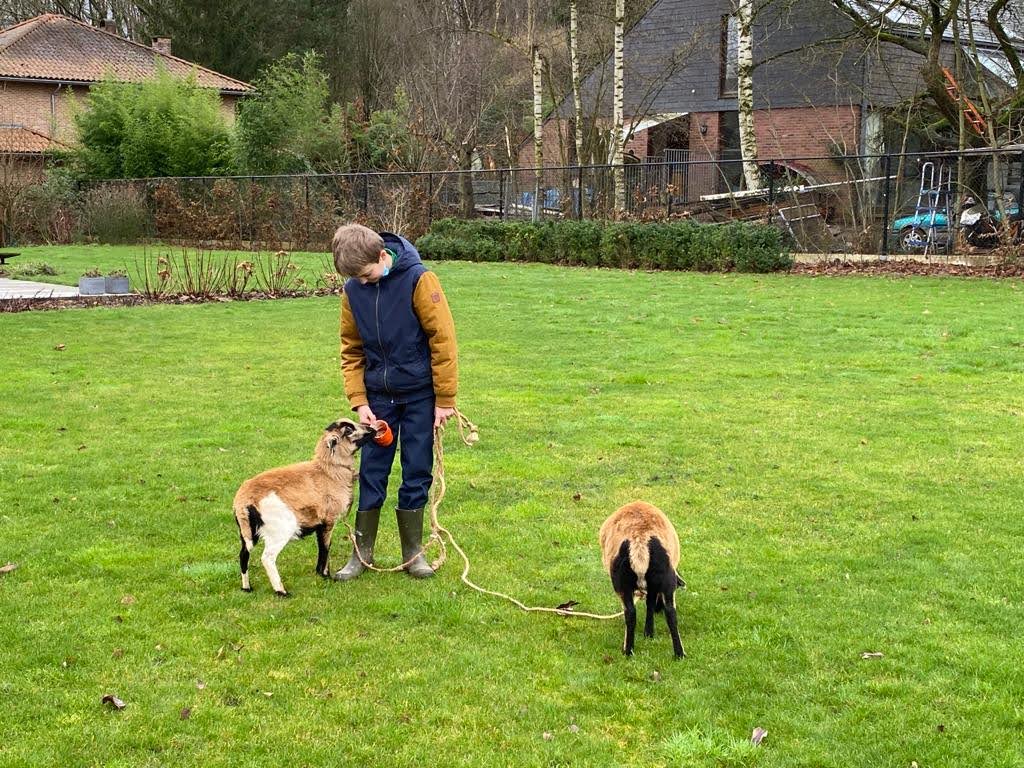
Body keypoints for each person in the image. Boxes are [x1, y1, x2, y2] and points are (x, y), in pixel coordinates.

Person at [330, 223, 458, 580]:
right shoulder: (352, 291)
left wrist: (445, 399)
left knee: (416, 469)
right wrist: (359, 401)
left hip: (420, 396)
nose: (363, 282)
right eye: (357, 278)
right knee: (372, 471)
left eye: (367, 274)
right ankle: (361, 554)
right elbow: (351, 349)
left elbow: (443, 340)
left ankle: (413, 554)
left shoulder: (419, 280)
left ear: (382, 255)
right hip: (378, 401)